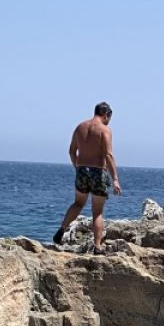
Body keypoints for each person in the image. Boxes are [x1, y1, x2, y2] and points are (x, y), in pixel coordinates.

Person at [52, 102, 122, 255]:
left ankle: (62, 228)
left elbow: (72, 151)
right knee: (97, 212)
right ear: (106, 114)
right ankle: (97, 247)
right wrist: (115, 179)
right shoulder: (105, 130)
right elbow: (108, 155)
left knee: (78, 203)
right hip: (98, 172)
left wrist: (78, 168)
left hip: (82, 170)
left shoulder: (80, 127)